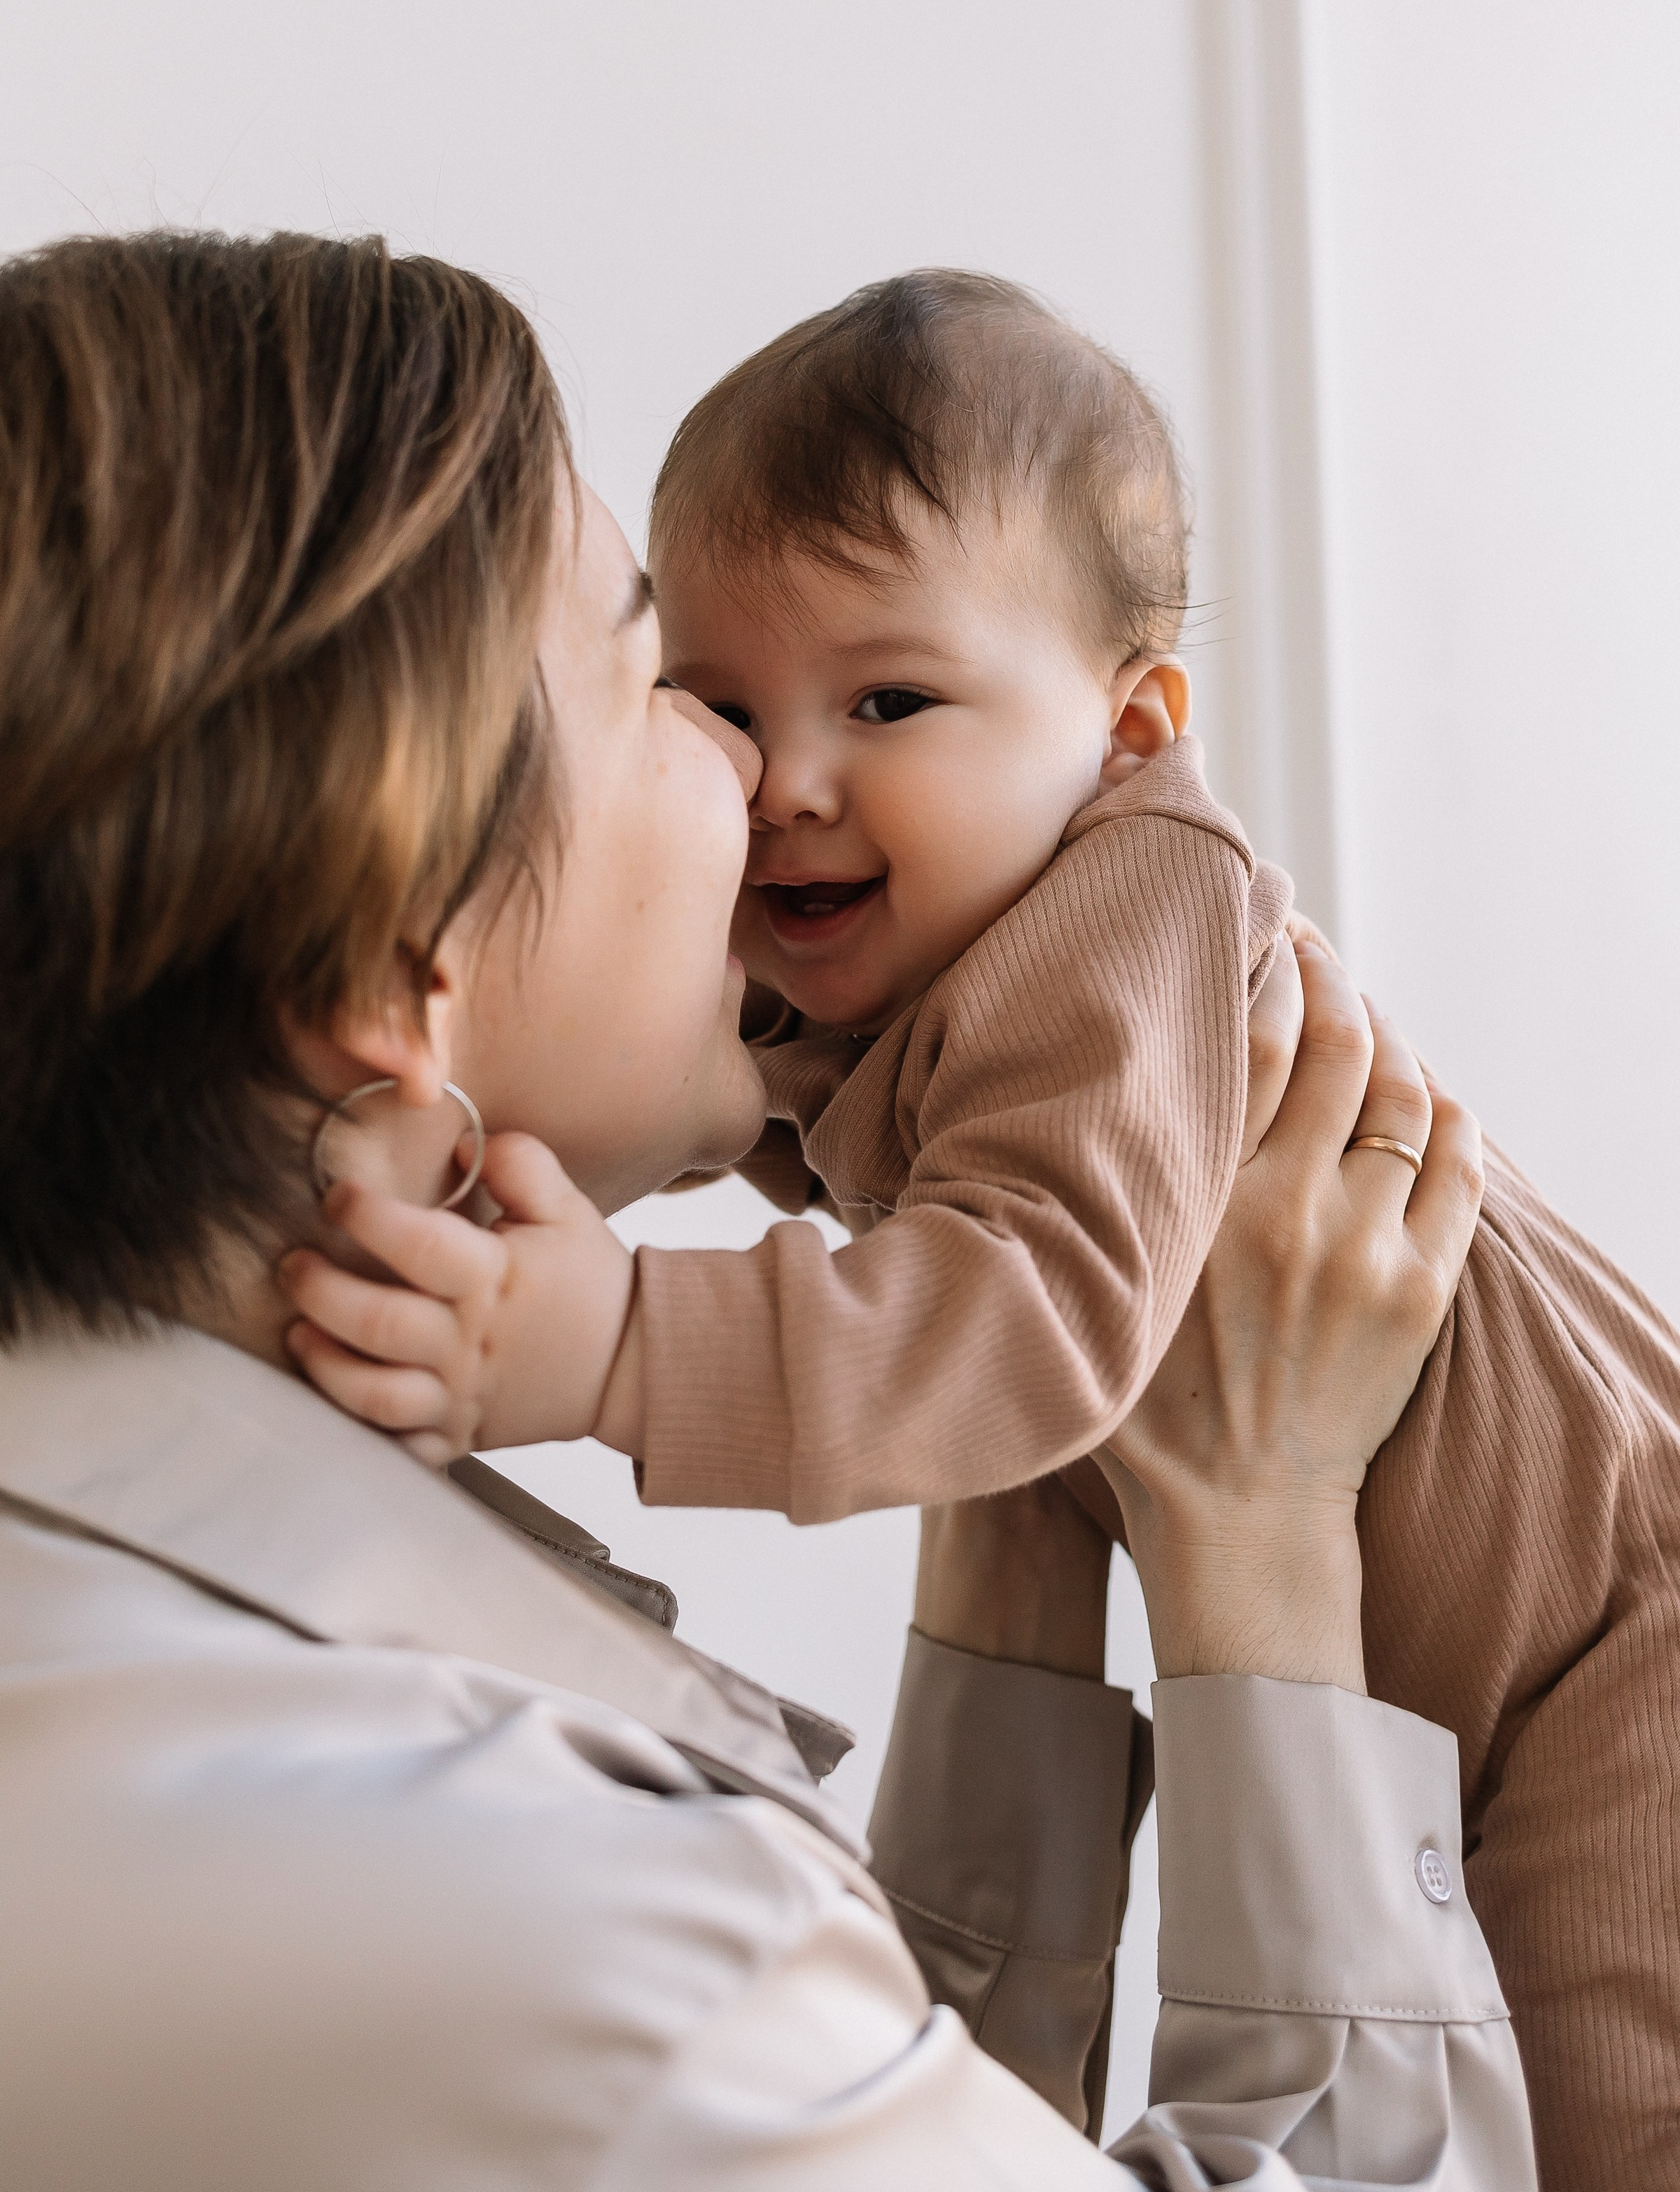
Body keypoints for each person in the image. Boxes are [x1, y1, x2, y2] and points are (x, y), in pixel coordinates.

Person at [0, 229, 1532, 2187]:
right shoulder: (552, 1941)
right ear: (394, 980)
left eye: (874, 701)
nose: (755, 772)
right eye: (665, 677)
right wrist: (1258, 1539)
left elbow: (895, 2119)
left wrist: (1005, 1498)